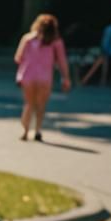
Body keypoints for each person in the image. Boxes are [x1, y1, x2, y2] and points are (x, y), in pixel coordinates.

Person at [14, 13, 71, 142]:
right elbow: (62, 61)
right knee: (41, 105)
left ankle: (25, 130)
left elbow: (18, 57)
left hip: (28, 76)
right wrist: (66, 78)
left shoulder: (28, 39)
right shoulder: (56, 42)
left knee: (28, 104)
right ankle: (38, 130)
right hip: (45, 77)